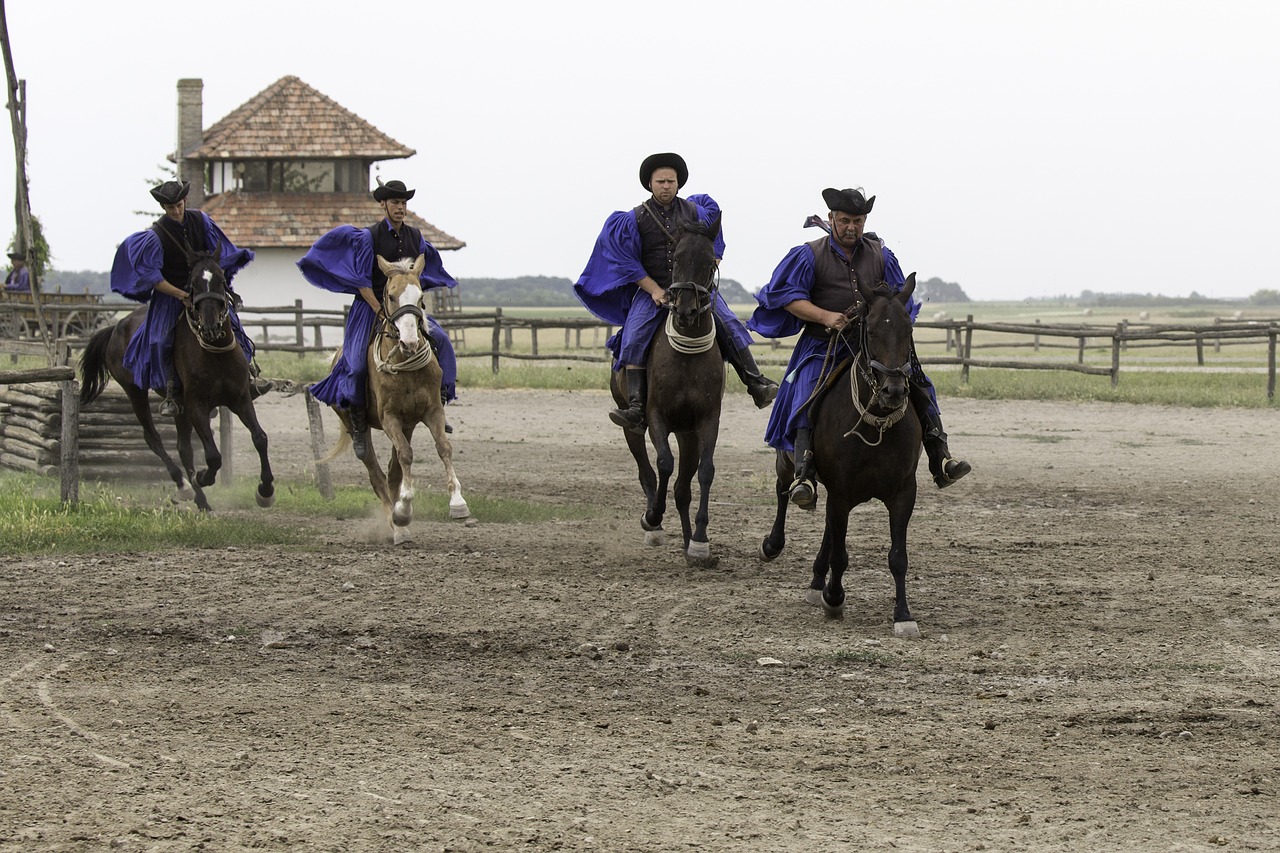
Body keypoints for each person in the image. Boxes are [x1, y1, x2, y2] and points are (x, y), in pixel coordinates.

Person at [749, 186, 971, 507]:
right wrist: (827, 316)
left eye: (857, 220)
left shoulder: (881, 254)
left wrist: (889, 324)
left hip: (874, 345)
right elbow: (787, 297)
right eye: (844, 220)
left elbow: (898, 298)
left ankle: (940, 457)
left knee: (920, 383)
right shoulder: (809, 255)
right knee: (805, 391)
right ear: (831, 219)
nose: (851, 227)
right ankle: (803, 473)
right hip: (824, 344)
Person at [574, 152, 778, 433]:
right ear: (650, 184)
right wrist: (655, 291)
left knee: (728, 322)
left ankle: (755, 382)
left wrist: (712, 261)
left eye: (671, 181)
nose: (666, 186)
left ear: (678, 184)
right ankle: (635, 407)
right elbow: (625, 260)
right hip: (653, 291)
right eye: (660, 181)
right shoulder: (634, 219)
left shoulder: (697, 212)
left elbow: (713, 237)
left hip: (696, 289)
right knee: (634, 335)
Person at [297, 179, 459, 460]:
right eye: (395, 203)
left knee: (442, 342)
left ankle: (439, 404)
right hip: (371, 307)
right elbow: (361, 282)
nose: (400, 208)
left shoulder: (415, 236)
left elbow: (420, 271)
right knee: (357, 364)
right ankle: (359, 427)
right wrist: (381, 311)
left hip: (406, 308)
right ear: (383, 205)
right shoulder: (368, 238)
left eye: (403, 203)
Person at [110, 180, 269, 416]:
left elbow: (220, 253)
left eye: (179, 205)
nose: (176, 211)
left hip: (204, 290)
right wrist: (181, 294)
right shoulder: (155, 236)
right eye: (170, 207)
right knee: (160, 339)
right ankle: (172, 393)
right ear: (164, 207)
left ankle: (250, 378)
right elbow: (154, 278)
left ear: (184, 201)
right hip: (172, 296)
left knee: (233, 323)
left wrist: (214, 283)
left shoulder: (202, 221)